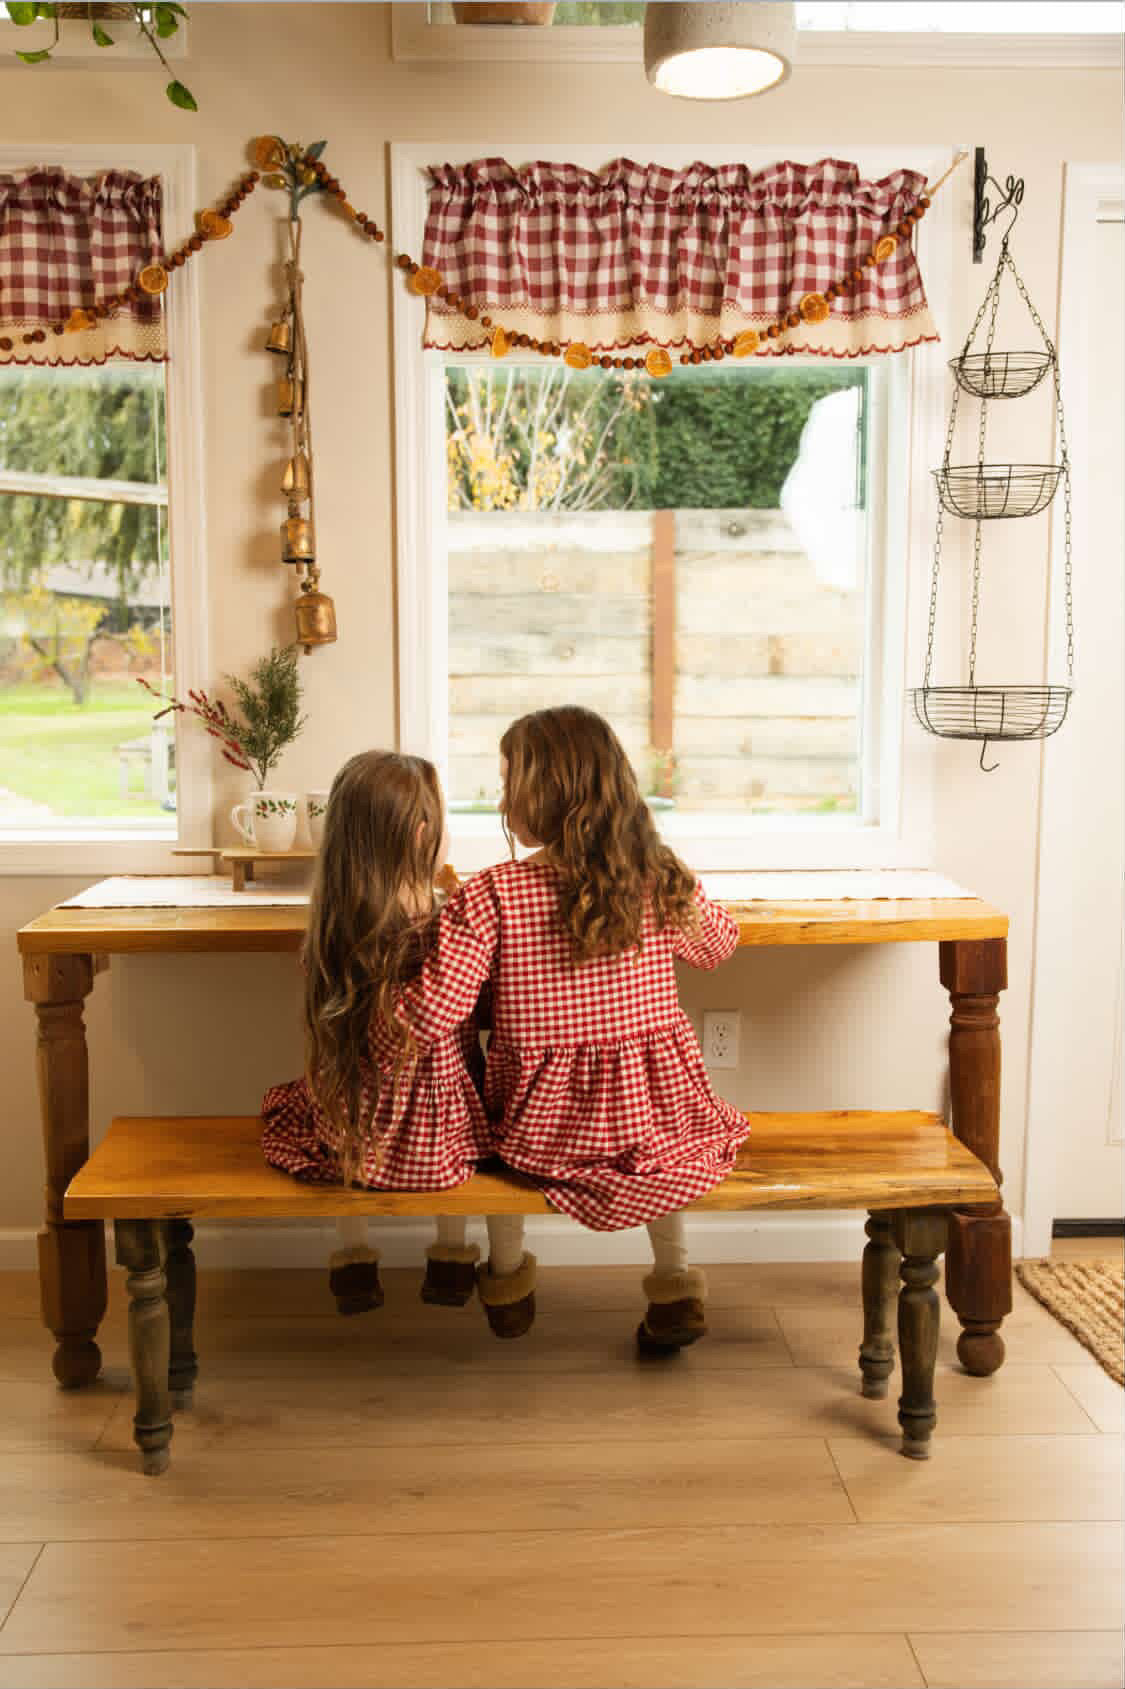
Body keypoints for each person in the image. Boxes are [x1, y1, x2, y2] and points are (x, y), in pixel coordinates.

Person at [396, 706, 749, 1352]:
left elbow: (435, 1013)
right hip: (653, 1114)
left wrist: (367, 1005)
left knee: (490, 1138)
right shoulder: (652, 877)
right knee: (662, 1155)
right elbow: (719, 946)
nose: (501, 800)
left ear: (549, 791)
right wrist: (673, 880)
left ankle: (507, 1283)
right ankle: (674, 1285)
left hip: (544, 1127)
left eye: (508, 782)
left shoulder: (493, 893)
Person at [260, 750, 529, 1334]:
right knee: (478, 1147)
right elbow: (471, 1004)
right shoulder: (443, 918)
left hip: (355, 1115)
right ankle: (452, 1257)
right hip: (436, 1120)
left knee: (336, 1139)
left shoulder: (337, 916)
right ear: (420, 833)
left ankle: (353, 1258)